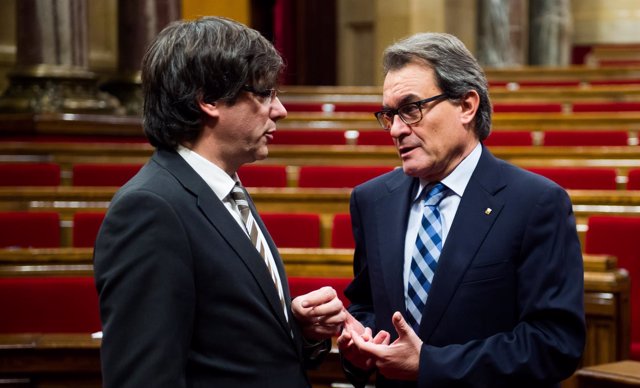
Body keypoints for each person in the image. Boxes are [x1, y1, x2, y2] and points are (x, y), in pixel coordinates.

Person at [93, 16, 345, 388]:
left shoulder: (224, 189)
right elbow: (145, 377)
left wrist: (299, 331)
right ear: (208, 99)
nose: (280, 110)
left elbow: (226, 345)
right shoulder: (150, 209)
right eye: (264, 94)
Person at [337, 32, 585, 388]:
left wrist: (431, 365)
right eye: (389, 114)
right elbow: (368, 305)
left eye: (411, 109)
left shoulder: (536, 203)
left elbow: (555, 343)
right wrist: (359, 344)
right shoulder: (372, 200)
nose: (395, 129)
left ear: (467, 106)